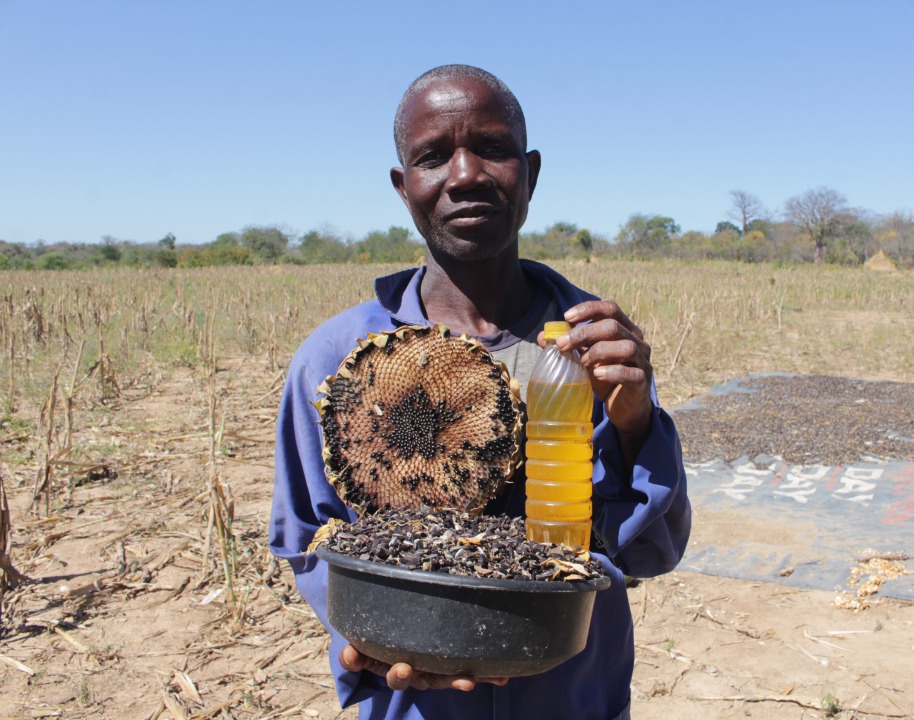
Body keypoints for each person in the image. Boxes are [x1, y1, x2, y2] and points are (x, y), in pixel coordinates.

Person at [269, 64, 691, 720]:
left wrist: (636, 426)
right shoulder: (334, 363)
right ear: (403, 185)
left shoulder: (586, 352)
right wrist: (378, 637)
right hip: (416, 704)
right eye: (433, 156)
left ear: (531, 172)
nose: (464, 174)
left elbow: (649, 551)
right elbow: (308, 540)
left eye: (491, 148)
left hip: (572, 694)